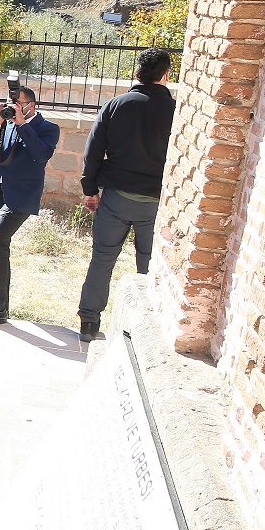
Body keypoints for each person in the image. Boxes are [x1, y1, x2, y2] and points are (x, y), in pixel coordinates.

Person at [76, 48, 176, 342]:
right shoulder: (175, 111)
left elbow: (93, 151)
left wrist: (90, 190)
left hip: (117, 198)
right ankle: (145, 332)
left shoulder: (115, 106)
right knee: (149, 266)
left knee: (102, 260)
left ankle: (89, 323)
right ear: (166, 75)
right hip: (156, 202)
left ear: (137, 73)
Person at [0, 86, 60, 328]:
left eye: (19, 104)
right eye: (11, 104)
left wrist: (22, 124)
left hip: (20, 196)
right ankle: (1, 309)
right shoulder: (5, 123)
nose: (14, 109)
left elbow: (41, 155)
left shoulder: (48, 128)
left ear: (31, 105)